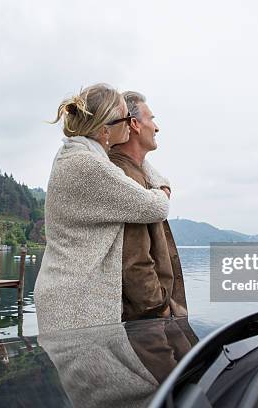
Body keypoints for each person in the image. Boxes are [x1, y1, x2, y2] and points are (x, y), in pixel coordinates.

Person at [34, 83, 171, 333]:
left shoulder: (75, 153)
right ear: (106, 130)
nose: (131, 124)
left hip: (68, 293)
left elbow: (138, 170)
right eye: (127, 119)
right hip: (75, 303)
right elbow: (154, 207)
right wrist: (163, 188)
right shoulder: (88, 166)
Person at [109, 91, 188, 321]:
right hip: (148, 320)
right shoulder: (125, 178)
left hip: (153, 315)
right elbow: (134, 262)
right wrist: (160, 309)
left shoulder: (137, 172)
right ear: (134, 124)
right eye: (151, 119)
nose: (157, 127)